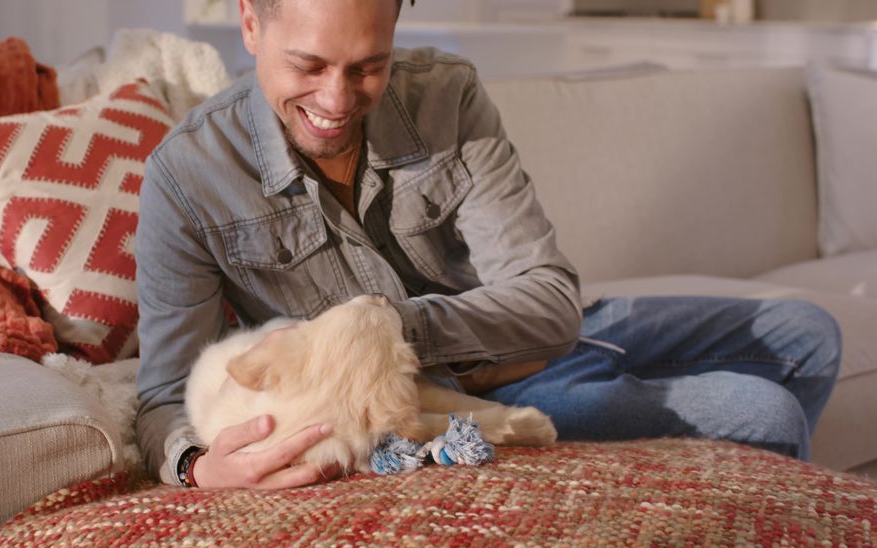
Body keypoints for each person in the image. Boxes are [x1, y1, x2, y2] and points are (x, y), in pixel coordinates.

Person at [135, 0, 842, 489]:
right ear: (251, 23)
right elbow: (164, 395)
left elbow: (549, 301)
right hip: (435, 412)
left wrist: (376, 331)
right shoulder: (187, 176)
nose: (338, 98)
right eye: (309, 65)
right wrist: (199, 465)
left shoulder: (447, 95)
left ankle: (727, 511)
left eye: (367, 66)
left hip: (522, 341)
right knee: (764, 412)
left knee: (809, 332)